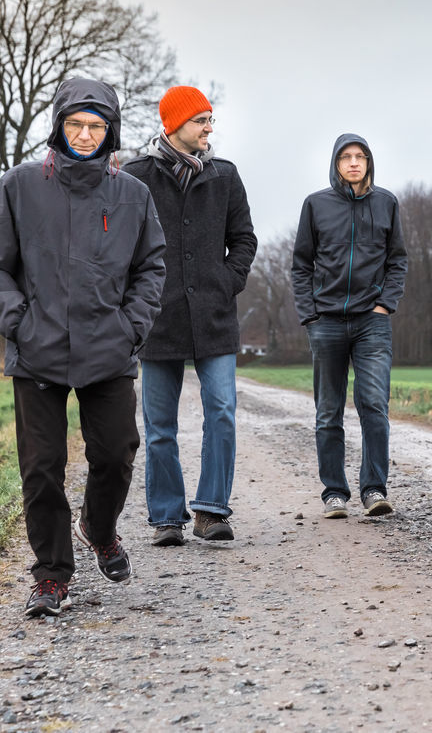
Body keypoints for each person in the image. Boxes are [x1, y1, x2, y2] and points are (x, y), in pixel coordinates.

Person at [0, 78, 166, 617]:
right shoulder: (19, 185)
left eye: (97, 125)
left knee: (117, 454)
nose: (86, 134)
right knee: (41, 467)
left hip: (108, 348)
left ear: (111, 130)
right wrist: (16, 321)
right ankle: (51, 575)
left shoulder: (132, 194)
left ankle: (99, 526)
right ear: (59, 125)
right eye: (76, 124)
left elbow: (150, 267)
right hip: (38, 349)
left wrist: (131, 326)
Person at [124, 86, 257, 546]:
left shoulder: (224, 175)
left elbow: (244, 239)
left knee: (221, 412)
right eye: (201, 119)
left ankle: (211, 512)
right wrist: (137, 300)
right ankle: (166, 516)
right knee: (160, 425)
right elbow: (122, 246)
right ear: (174, 124)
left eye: (210, 119)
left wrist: (226, 282)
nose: (209, 128)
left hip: (214, 317)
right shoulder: (136, 176)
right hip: (157, 319)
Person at [291, 134, 407, 519]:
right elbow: (301, 264)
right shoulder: (316, 205)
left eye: (360, 156)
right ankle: (334, 493)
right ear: (336, 163)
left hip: (371, 322)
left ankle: (374, 489)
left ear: (369, 162)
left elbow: (397, 261)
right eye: (346, 157)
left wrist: (384, 305)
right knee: (328, 411)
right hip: (325, 322)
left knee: (374, 405)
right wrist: (309, 312)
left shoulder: (386, 203)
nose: (354, 163)